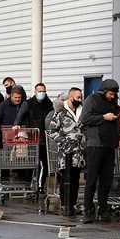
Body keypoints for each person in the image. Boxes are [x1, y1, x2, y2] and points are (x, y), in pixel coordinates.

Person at [79, 79, 120, 224]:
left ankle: (103, 210)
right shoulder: (92, 100)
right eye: (110, 94)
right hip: (95, 144)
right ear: (104, 92)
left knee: (106, 180)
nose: (112, 96)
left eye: (114, 94)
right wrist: (104, 117)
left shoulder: (113, 103)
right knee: (91, 179)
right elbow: (84, 118)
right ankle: (88, 211)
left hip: (109, 145)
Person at [46, 88, 86, 216]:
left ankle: (72, 204)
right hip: (65, 152)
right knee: (65, 178)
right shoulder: (61, 113)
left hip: (79, 152)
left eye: (81, 97)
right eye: (78, 97)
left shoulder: (82, 111)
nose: (80, 100)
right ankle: (65, 204)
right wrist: (63, 141)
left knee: (75, 178)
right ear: (70, 97)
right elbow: (52, 131)